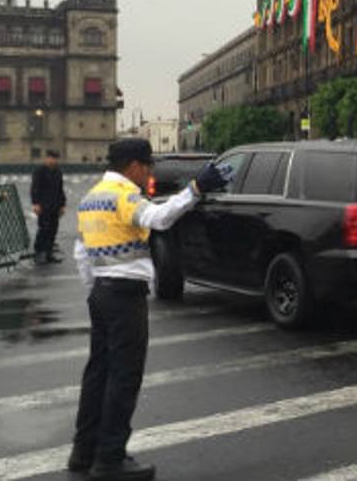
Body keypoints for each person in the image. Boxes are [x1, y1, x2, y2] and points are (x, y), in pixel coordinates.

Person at [68, 139, 232, 481]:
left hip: (101, 292)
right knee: (124, 377)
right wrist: (196, 189)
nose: (150, 173)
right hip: (125, 295)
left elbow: (81, 254)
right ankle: (110, 459)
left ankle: (83, 452)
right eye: (148, 166)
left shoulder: (91, 198)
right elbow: (159, 218)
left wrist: (94, 290)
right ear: (134, 166)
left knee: (97, 373)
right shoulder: (124, 196)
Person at [31, 150, 67, 264]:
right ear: (46, 158)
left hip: (55, 205)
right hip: (43, 205)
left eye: (55, 158)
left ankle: (48, 253)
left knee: (53, 230)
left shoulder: (58, 172)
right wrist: (36, 203)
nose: (53, 161)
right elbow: (35, 188)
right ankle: (38, 253)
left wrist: (62, 205)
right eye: (51, 158)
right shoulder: (39, 171)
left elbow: (60, 189)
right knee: (43, 229)